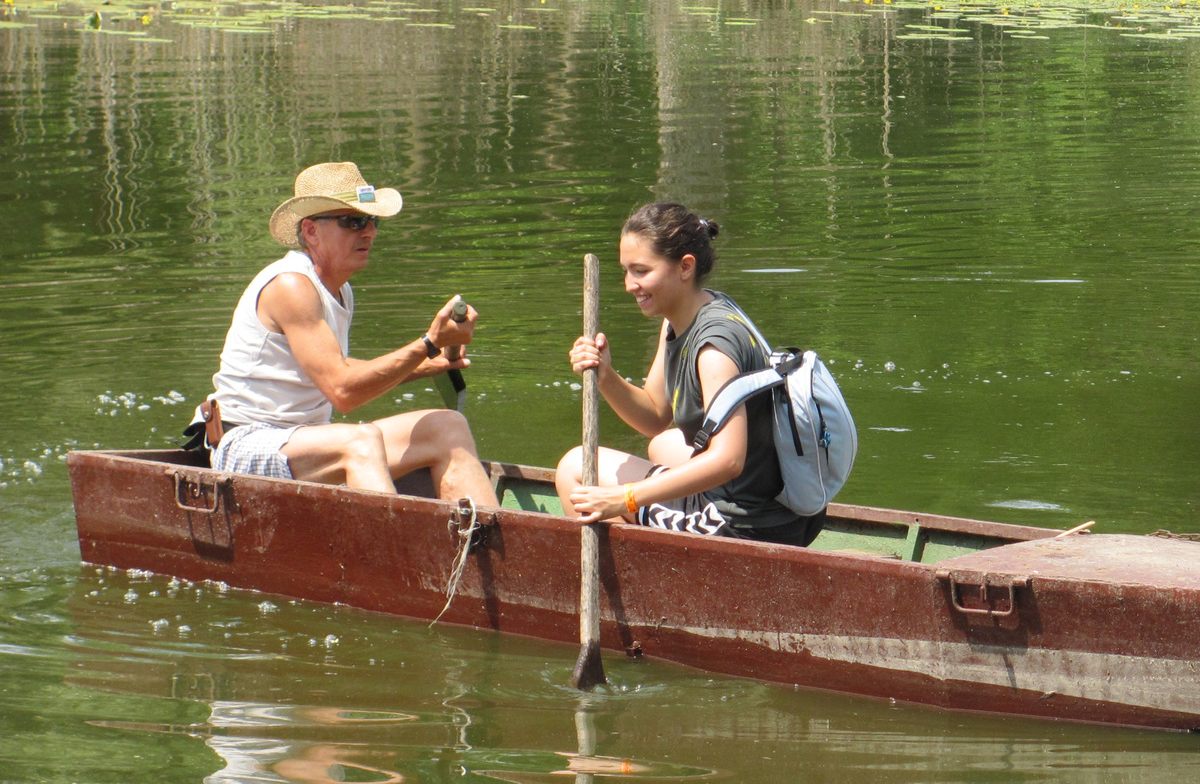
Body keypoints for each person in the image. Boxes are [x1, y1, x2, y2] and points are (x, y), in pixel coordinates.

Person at [202, 161, 496, 506]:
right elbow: (342, 391)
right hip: (246, 445)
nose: (368, 232)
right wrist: (429, 344)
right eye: (353, 221)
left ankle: (484, 554)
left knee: (448, 426)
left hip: (305, 441)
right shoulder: (291, 285)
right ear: (311, 231)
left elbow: (333, 367)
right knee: (360, 440)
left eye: (373, 221)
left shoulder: (339, 289)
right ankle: (394, 556)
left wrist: (429, 364)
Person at [557, 202, 821, 547]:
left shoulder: (713, 349)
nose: (628, 285)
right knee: (663, 442)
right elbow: (654, 414)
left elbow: (728, 459)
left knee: (574, 467)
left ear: (685, 267)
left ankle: (640, 591)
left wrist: (624, 498)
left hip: (744, 522)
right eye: (625, 271)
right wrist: (606, 375)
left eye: (641, 271)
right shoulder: (690, 311)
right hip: (778, 501)